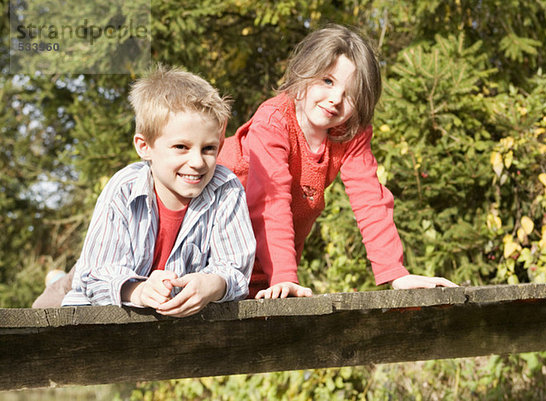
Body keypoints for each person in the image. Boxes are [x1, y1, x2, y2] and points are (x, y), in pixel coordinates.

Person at [218, 24, 457, 299]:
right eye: (328, 81)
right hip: (220, 252)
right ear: (304, 71)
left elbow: (369, 199)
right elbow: (271, 202)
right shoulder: (274, 122)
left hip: (270, 264)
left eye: (351, 94)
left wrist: (396, 272)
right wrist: (284, 274)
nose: (335, 99)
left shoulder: (348, 133)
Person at [33, 65, 256, 317]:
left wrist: (215, 284)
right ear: (144, 146)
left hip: (163, 299)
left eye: (208, 149)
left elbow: (236, 268)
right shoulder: (124, 188)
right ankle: (56, 279)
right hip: (97, 278)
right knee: (44, 311)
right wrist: (137, 291)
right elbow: (94, 276)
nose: (197, 161)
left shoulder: (225, 188)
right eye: (181, 147)